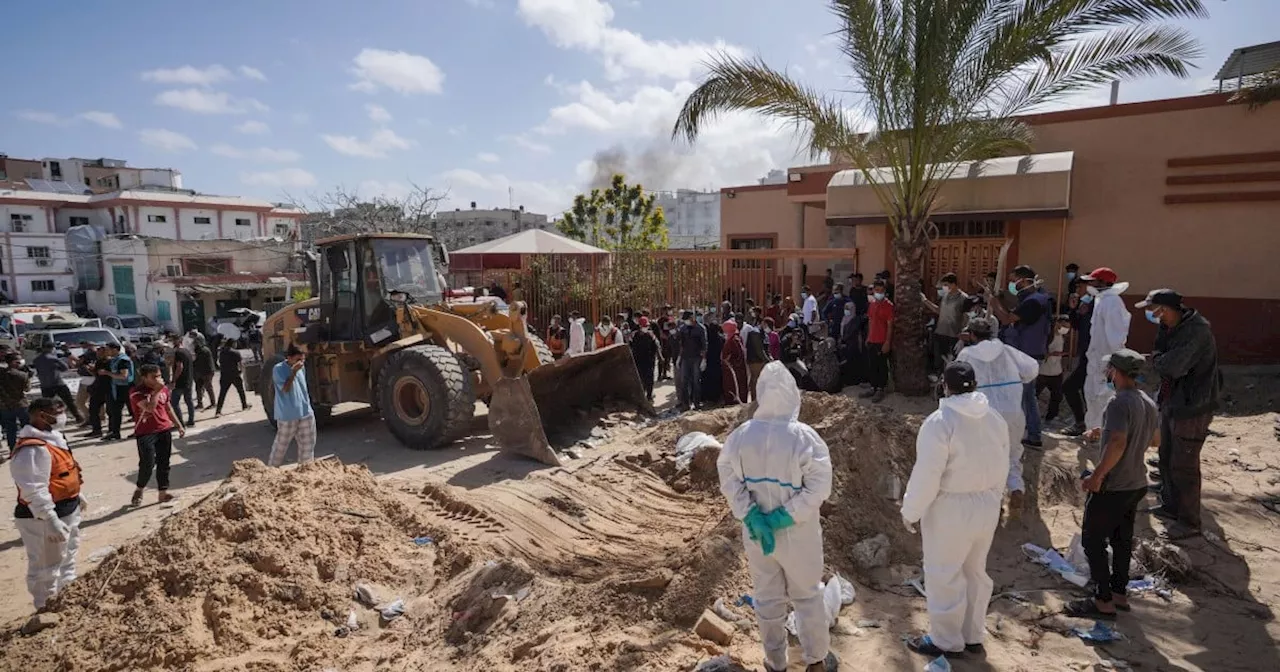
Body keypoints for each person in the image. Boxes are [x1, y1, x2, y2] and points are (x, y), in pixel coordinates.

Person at [716, 362, 836, 672]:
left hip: (758, 535)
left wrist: (752, 515)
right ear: (793, 395)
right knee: (808, 596)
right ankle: (816, 662)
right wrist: (784, 516)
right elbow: (819, 486)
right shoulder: (804, 438)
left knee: (768, 600)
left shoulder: (741, 436)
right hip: (799, 534)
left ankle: (775, 663)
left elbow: (727, 474)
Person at [902, 361, 1010, 658]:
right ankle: (972, 634)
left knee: (943, 573)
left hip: (950, 506)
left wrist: (911, 510)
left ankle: (946, 641)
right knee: (975, 571)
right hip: (986, 503)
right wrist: (997, 499)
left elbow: (927, 475)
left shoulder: (939, 422)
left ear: (944, 386)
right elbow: (1004, 463)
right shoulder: (994, 418)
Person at [1063, 349, 1157, 620]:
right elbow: (1156, 440)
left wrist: (1097, 476)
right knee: (1121, 540)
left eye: (1110, 370)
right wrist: (1103, 432)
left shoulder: (1118, 403)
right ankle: (1119, 593)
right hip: (1136, 482)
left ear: (1116, 372)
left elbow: (1117, 443)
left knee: (1093, 541)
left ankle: (1102, 601)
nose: (1107, 374)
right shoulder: (1147, 402)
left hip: (1114, 484)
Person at [1141, 289, 1219, 540]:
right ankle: (1171, 505)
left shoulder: (1197, 331)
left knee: (1184, 463)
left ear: (1166, 309)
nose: (1153, 316)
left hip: (1192, 405)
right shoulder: (1169, 327)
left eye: (1155, 310)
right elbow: (1159, 355)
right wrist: (1160, 359)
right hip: (1172, 400)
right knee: (1166, 456)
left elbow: (1172, 366)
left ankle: (1189, 521)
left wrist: (1159, 360)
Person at [955, 319, 1039, 513]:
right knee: (1012, 452)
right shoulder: (1007, 350)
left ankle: (995, 500)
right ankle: (1016, 488)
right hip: (1013, 413)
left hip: (984, 414)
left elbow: (957, 378)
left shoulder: (967, 354)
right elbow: (1032, 368)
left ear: (972, 335)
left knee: (987, 457)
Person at [9, 397, 81, 610]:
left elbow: (63, 471)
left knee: (67, 558)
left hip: (67, 508)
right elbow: (33, 488)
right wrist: (50, 518)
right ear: (41, 415)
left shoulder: (54, 438)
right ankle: (45, 608)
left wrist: (77, 493)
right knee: (45, 567)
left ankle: (67, 599)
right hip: (42, 519)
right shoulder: (32, 449)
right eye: (57, 411)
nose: (62, 416)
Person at [1078, 267, 1131, 432]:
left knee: (1104, 398)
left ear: (1103, 283)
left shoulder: (1112, 302)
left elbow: (1115, 336)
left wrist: (1114, 362)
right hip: (1096, 360)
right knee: (1092, 395)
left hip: (1106, 362)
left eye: (1092, 281)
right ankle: (1092, 430)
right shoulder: (1101, 300)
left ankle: (1103, 433)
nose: (1089, 285)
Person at [129, 364, 186, 507]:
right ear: (144, 378)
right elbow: (149, 408)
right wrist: (156, 391)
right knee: (147, 463)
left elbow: (167, 407)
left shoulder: (164, 390)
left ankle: (162, 492)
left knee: (164, 462)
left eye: (159, 376)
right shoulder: (137, 393)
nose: (158, 379)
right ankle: (140, 488)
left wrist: (178, 425)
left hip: (164, 429)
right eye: (154, 377)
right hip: (145, 432)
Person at [270, 344, 316, 466]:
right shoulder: (278, 369)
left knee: (307, 448)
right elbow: (285, 389)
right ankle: (270, 473)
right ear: (289, 358)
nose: (301, 362)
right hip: (287, 416)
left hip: (305, 413)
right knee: (280, 447)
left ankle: (305, 474)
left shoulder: (302, 368)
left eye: (303, 359)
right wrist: (293, 372)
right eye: (298, 360)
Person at [1062, 280, 1095, 436]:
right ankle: (1084, 421)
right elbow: (1075, 326)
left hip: (1094, 355)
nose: (1077, 290)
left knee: (1069, 386)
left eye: (1079, 287)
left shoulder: (1097, 305)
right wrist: (1073, 309)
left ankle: (1082, 422)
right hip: (1086, 354)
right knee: (1082, 389)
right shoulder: (1085, 304)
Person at [923, 273, 969, 376]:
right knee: (939, 362)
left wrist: (962, 336)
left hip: (954, 335)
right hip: (940, 333)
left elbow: (966, 318)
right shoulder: (945, 296)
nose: (944, 287)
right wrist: (925, 301)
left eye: (946, 285)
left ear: (953, 284)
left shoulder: (963, 298)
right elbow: (940, 311)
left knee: (952, 363)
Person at [33, 343, 84, 425]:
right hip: (57, 383)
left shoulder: (36, 360)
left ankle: (48, 420)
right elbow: (65, 368)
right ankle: (78, 417)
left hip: (45, 385)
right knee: (69, 401)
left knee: (47, 404)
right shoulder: (53, 358)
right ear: (52, 349)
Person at [863, 279, 894, 402]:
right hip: (872, 339)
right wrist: (868, 337)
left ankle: (881, 389)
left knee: (882, 366)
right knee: (872, 365)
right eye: (876, 290)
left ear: (885, 291)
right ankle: (873, 387)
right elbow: (870, 321)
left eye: (881, 291)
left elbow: (890, 325)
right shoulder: (872, 304)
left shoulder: (889, 306)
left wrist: (887, 342)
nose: (878, 293)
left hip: (882, 340)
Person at [1037, 316, 1070, 425]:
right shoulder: (1048, 336)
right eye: (1064, 326)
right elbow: (1041, 353)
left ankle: (1051, 417)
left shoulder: (1062, 337)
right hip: (1043, 371)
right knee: (1034, 393)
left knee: (1057, 395)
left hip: (1056, 371)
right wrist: (1052, 354)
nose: (1065, 329)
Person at [0, 351, 31, 458]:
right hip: (21, 404)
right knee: (27, 426)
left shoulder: (1, 372)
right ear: (14, 362)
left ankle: (12, 450)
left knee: (10, 429)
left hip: (5, 405)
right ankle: (29, 446)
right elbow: (27, 389)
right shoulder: (22, 375)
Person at [103, 342, 135, 442]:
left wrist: (107, 373)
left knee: (134, 411)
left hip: (126, 388)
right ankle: (115, 432)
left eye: (108, 349)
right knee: (115, 411)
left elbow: (124, 376)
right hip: (117, 388)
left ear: (115, 349)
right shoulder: (115, 360)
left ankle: (140, 430)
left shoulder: (122, 360)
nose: (106, 351)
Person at [676, 310, 706, 411]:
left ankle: (697, 403)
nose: (686, 322)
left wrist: (704, 359)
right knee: (684, 381)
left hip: (696, 358)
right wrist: (679, 357)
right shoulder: (683, 328)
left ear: (692, 318)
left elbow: (704, 345)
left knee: (696, 381)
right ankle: (685, 404)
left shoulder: (700, 329)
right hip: (685, 357)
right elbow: (681, 344)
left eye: (687, 319)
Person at [629, 316, 662, 402]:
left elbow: (657, 345)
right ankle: (641, 396)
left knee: (649, 378)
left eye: (647, 326)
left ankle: (649, 396)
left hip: (649, 360)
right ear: (640, 326)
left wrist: (660, 356)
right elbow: (629, 346)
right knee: (640, 378)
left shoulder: (651, 335)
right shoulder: (634, 335)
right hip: (637, 360)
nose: (646, 328)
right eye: (644, 326)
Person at [214, 341, 250, 417]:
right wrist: (241, 371)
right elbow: (240, 364)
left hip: (224, 375)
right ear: (233, 344)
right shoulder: (235, 352)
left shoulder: (222, 352)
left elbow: (219, 362)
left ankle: (218, 411)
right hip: (234, 374)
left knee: (222, 393)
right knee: (240, 391)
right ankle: (244, 405)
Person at [169, 335, 196, 426]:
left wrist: (174, 380)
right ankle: (191, 420)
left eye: (173, 340)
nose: (172, 342)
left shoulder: (178, 353)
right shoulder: (187, 351)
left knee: (174, 402)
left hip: (180, 381)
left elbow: (179, 367)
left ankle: (180, 423)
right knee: (189, 401)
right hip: (188, 380)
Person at [720, 320, 749, 405]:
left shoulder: (733, 341)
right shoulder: (735, 338)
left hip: (734, 370)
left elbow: (736, 355)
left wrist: (727, 360)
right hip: (734, 369)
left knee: (734, 387)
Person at [702, 318, 725, 405]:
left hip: (709, 363)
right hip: (717, 363)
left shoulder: (707, 338)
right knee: (717, 380)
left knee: (708, 380)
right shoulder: (721, 338)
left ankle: (708, 398)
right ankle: (716, 398)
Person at [73, 342, 97, 424]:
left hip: (93, 380)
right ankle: (89, 417)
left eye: (87, 346)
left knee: (95, 402)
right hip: (84, 379)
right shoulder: (85, 356)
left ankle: (98, 418)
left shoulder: (97, 356)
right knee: (79, 402)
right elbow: (77, 365)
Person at [192, 336, 217, 409]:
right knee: (199, 388)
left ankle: (213, 403)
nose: (194, 344)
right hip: (202, 372)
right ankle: (200, 404)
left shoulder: (203, 350)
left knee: (208, 387)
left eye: (196, 343)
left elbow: (198, 362)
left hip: (206, 372)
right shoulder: (201, 349)